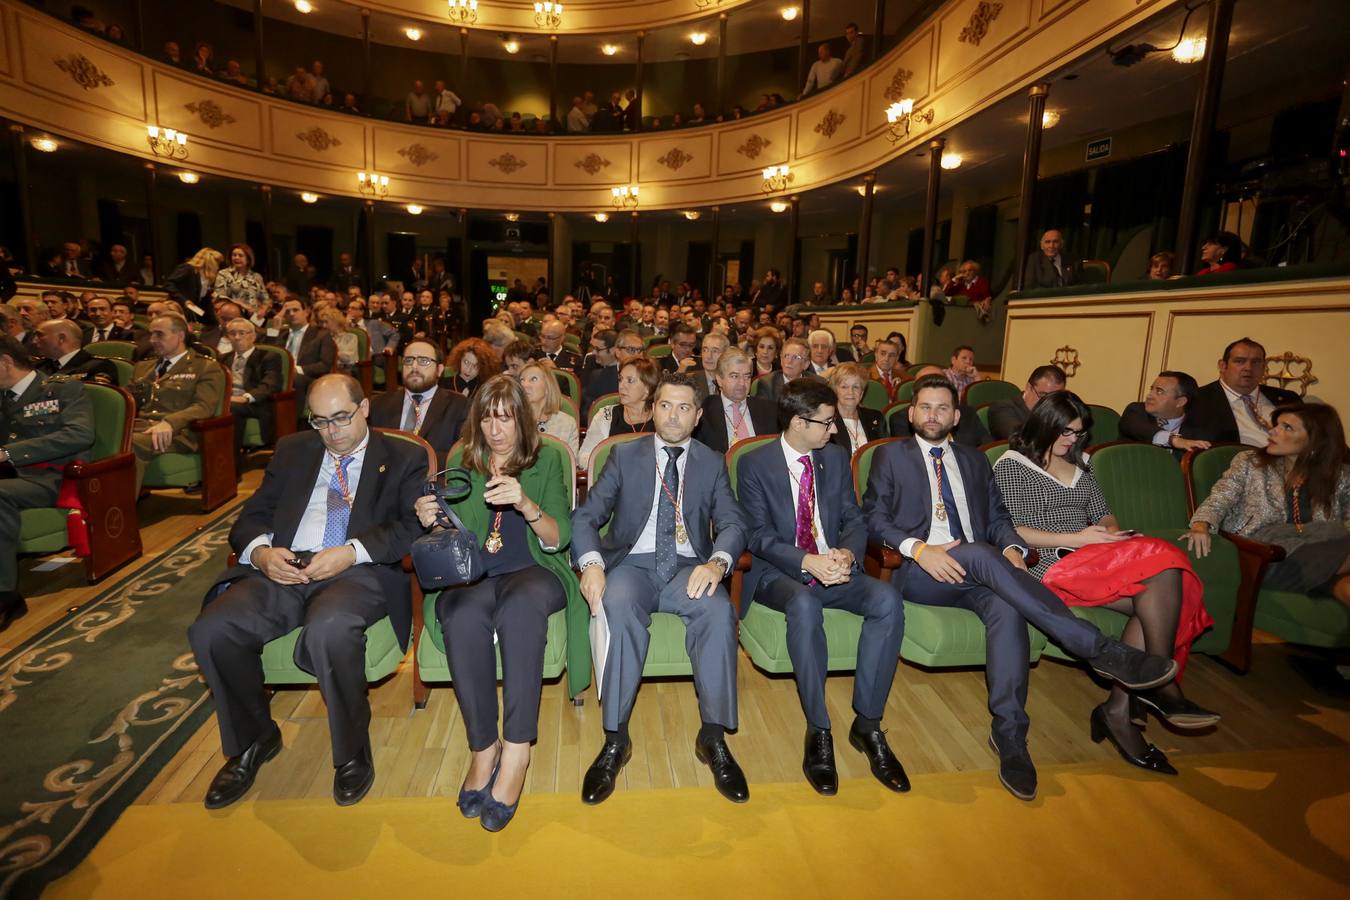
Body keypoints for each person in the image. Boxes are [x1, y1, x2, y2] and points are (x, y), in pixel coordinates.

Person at [862, 374, 1180, 801]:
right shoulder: (890, 457)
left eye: (942, 408)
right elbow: (874, 519)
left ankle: (1010, 735)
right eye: (924, 407)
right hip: (922, 573)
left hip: (981, 573)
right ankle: (1098, 648)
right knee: (977, 552)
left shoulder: (975, 461)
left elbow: (997, 521)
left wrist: (1011, 548)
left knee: (1006, 605)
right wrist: (920, 549)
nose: (932, 415)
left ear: (956, 416)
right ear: (911, 412)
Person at [187, 375, 426, 809]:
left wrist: (350, 552)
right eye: (320, 421)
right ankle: (254, 741)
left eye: (341, 418)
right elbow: (251, 517)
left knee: (329, 629)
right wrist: (261, 554)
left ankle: (352, 751)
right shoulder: (294, 451)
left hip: (356, 570)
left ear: (365, 407)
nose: (331, 431)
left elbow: (410, 528)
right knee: (213, 629)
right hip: (286, 565)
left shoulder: (404, 456)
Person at [994, 391, 1219, 775]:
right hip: (1051, 562)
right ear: (1043, 424)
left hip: (1098, 555)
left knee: (1163, 581)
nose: (1070, 440)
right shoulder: (1012, 465)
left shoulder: (1081, 462)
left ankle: (1121, 706)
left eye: (1077, 433)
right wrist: (1080, 539)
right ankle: (1160, 689)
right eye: (1063, 432)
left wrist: (1110, 534)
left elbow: (1105, 514)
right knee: (1165, 569)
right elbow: (1012, 531)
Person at [572, 373, 748, 805]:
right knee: (617, 602)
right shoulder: (624, 457)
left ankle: (713, 737)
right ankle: (616, 738)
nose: (673, 415)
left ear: (698, 415)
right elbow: (585, 517)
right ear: (652, 410)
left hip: (690, 566)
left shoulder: (711, 461)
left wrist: (717, 562)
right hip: (632, 564)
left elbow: (733, 522)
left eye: (684, 407)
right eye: (665, 405)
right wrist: (592, 564)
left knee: (719, 612)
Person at [412, 376, 578, 831]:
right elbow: (450, 535)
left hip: (534, 573)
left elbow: (560, 535)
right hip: (475, 573)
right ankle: (484, 749)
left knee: (519, 610)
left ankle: (518, 751)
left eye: (505, 417)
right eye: (487, 417)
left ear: (522, 419)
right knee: (462, 614)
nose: (496, 429)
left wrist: (526, 504)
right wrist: (431, 519)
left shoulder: (545, 459)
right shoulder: (461, 461)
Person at [737, 379, 907, 794]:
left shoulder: (832, 457)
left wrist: (846, 554)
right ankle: (819, 730)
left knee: (886, 598)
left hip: (835, 565)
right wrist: (806, 560)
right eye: (827, 423)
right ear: (798, 422)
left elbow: (854, 518)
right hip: (779, 572)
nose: (834, 430)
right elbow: (756, 535)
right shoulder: (755, 463)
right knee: (805, 603)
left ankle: (867, 725)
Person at [1187, 403, 1350, 608]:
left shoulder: (1340, 476)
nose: (1272, 431)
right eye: (1277, 425)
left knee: (1346, 589)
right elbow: (1220, 498)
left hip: (1321, 553)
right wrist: (1201, 525)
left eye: (1287, 427)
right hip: (1266, 555)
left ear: (1315, 442)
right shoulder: (1249, 462)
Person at [0, 336, 95, 631]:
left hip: (50, 478)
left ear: (4, 363)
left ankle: (5, 595)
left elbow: (79, 435)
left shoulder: (63, 390)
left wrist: (8, 453)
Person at [128, 314, 227, 492]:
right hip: (141, 426)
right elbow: (127, 400)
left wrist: (170, 422)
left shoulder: (205, 367)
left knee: (130, 443)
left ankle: (120, 511)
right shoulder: (143, 367)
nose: (152, 340)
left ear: (180, 335)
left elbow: (204, 406)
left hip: (180, 432)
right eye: (151, 334)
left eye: (159, 334)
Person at [368, 341, 467, 469]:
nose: (414, 366)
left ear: (439, 370)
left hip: (434, 483)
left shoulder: (460, 406)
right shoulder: (379, 404)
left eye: (423, 361)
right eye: (408, 361)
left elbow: (460, 457)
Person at [1185, 338, 1299, 447]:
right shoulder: (1197, 400)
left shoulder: (1288, 399)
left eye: (1256, 362)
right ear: (1223, 366)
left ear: (1264, 367)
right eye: (1239, 361)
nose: (1248, 368)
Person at [578, 357, 659, 469]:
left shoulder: (661, 418)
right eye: (620, 379)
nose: (621, 386)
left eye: (630, 380)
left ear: (648, 387)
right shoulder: (605, 416)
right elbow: (583, 458)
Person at [695, 348, 778, 454]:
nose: (742, 383)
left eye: (747, 377)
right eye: (734, 376)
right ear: (719, 379)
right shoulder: (705, 412)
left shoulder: (769, 410)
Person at [221, 318, 282, 457]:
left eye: (242, 333)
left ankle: (230, 469)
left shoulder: (268, 356)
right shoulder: (223, 359)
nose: (237, 337)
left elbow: (270, 384)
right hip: (228, 401)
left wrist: (245, 398)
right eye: (232, 333)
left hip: (255, 404)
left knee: (231, 408)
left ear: (253, 336)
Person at [274, 296, 336, 422]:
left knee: (295, 379)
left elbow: (325, 365)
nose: (291, 314)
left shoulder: (321, 334)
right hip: (281, 377)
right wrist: (274, 329)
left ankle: (293, 424)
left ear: (306, 312)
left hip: (308, 379)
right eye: (287, 311)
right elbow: (267, 354)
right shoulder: (281, 334)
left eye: (295, 310)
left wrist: (297, 369)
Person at [1120, 371, 1213, 454]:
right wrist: (1172, 439)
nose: (1149, 395)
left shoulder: (1199, 429)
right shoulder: (1135, 411)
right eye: (1151, 389)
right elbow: (1138, 428)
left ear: (1180, 402)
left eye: (1159, 391)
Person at [988, 365, 1067, 440]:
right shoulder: (1002, 408)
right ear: (1029, 387)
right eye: (1043, 396)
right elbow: (1018, 438)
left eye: (1055, 398)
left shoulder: (1060, 412)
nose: (1049, 403)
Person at [519, 361, 579, 459]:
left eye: (533, 379)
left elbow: (570, 465)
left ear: (548, 387)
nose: (525, 385)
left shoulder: (566, 423)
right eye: (522, 380)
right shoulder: (512, 420)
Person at [828, 363, 885, 456]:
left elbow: (884, 453)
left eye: (856, 387)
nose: (850, 392)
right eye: (844, 387)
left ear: (862, 393)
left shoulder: (875, 417)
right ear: (835, 390)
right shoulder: (827, 420)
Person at [35, 319, 117, 383]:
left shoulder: (98, 366)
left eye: (40, 335)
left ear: (61, 338)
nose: (34, 341)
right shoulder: (39, 365)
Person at [164, 248, 223, 324]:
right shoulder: (188, 268)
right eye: (217, 262)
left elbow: (204, 298)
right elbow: (169, 284)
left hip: (195, 312)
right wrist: (184, 300)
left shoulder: (207, 276)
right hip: (180, 309)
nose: (218, 265)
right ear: (210, 261)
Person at [758, 337, 822, 402]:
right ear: (781, 360)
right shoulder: (767, 384)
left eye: (796, 357)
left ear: (806, 364)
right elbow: (765, 411)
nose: (789, 361)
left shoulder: (819, 384)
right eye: (786, 356)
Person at [212, 244, 266, 313]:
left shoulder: (257, 276)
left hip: (254, 318)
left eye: (240, 255)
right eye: (234, 255)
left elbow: (265, 299)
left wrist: (263, 310)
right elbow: (220, 298)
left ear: (248, 259)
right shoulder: (223, 274)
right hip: (232, 316)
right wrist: (242, 305)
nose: (236, 258)